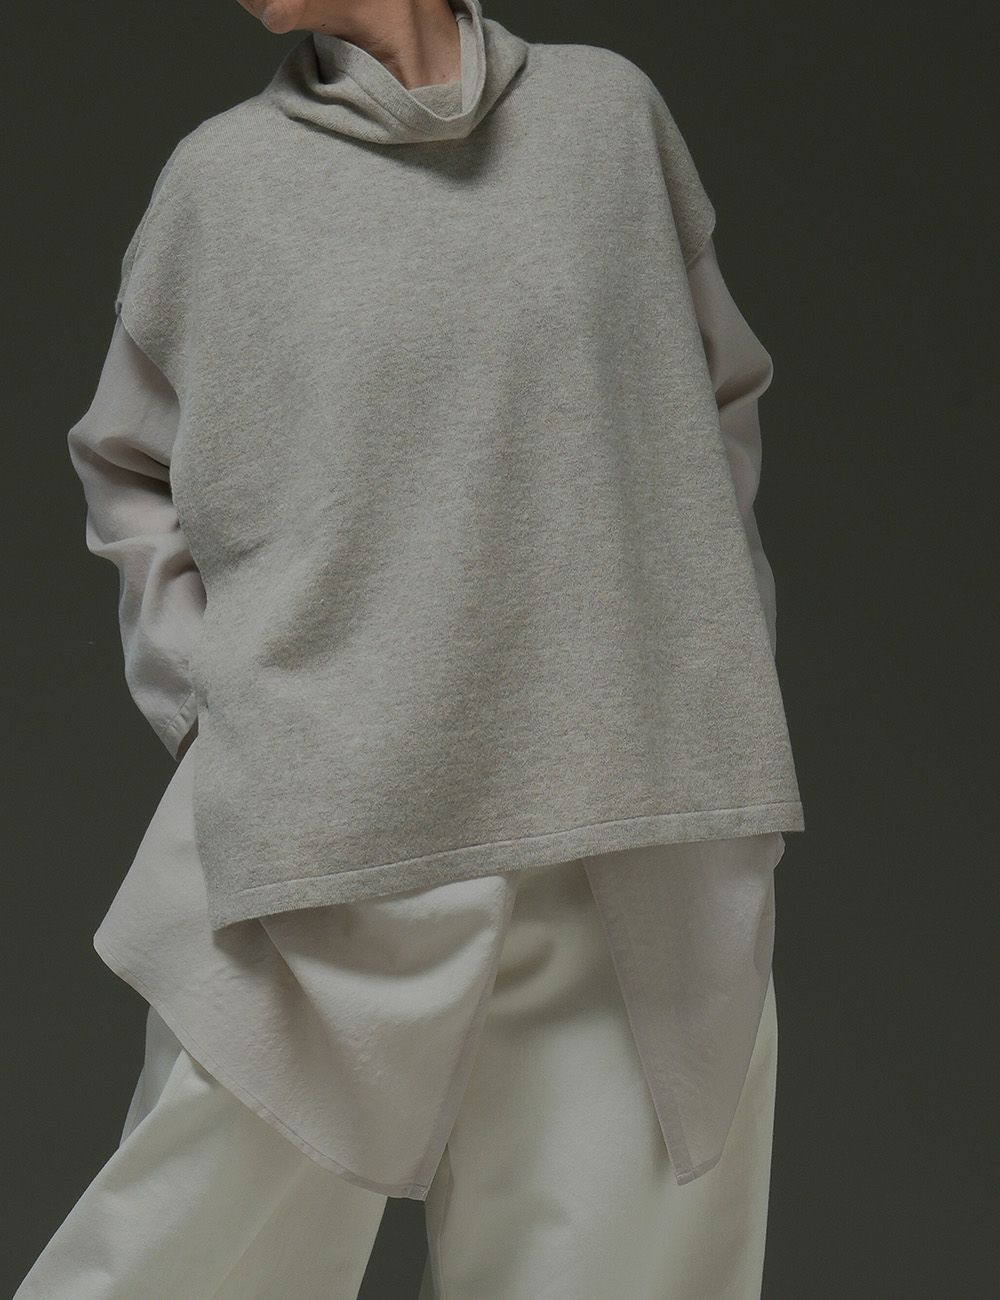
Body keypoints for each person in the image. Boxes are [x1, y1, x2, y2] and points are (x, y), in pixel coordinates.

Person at [16, 1, 804, 1296]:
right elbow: (129, 474)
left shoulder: (608, 121)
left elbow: (713, 399)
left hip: (629, 818)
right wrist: (223, 719)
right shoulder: (224, 183)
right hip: (334, 827)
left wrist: (705, 649)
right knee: (177, 1259)